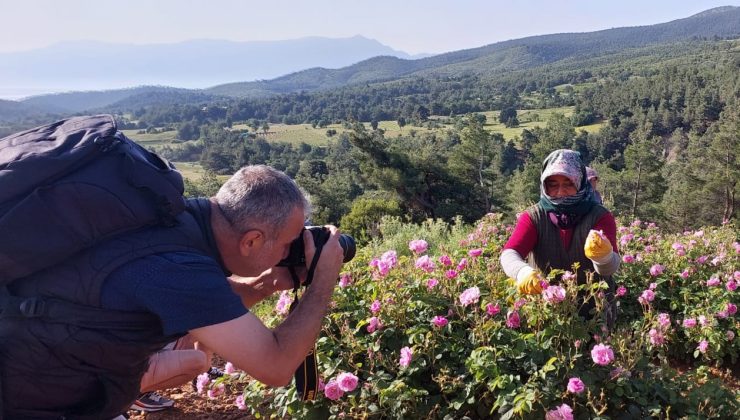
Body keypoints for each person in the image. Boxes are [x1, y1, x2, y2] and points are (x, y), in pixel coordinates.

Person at [1, 165, 345, 419]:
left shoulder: (175, 219)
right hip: (31, 400)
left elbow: (206, 305)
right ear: (251, 240)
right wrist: (324, 279)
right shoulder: (180, 271)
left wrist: (269, 282)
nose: (289, 253)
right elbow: (276, 366)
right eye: (287, 244)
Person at [499, 149, 620, 322]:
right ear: (544, 185)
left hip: (594, 313)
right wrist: (523, 272)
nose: (560, 192)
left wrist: (604, 257)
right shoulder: (534, 216)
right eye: (553, 184)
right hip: (547, 312)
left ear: (580, 182)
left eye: (568, 183)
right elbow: (510, 253)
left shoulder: (599, 216)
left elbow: (610, 269)